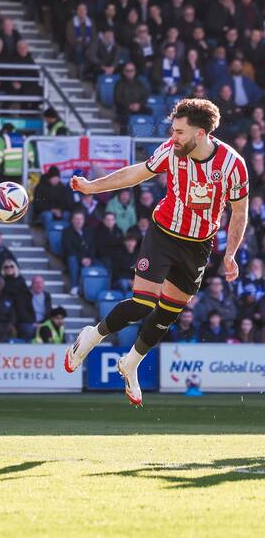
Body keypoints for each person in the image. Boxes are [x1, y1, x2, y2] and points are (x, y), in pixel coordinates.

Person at [64, 99, 249, 407]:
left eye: (179, 132)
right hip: (163, 234)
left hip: (198, 246)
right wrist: (91, 187)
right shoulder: (171, 151)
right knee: (143, 303)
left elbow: (240, 213)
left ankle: (130, 363)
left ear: (200, 133)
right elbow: (135, 174)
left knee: (169, 312)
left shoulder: (232, 164)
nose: (173, 137)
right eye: (172, 130)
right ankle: (91, 337)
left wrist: (230, 253)